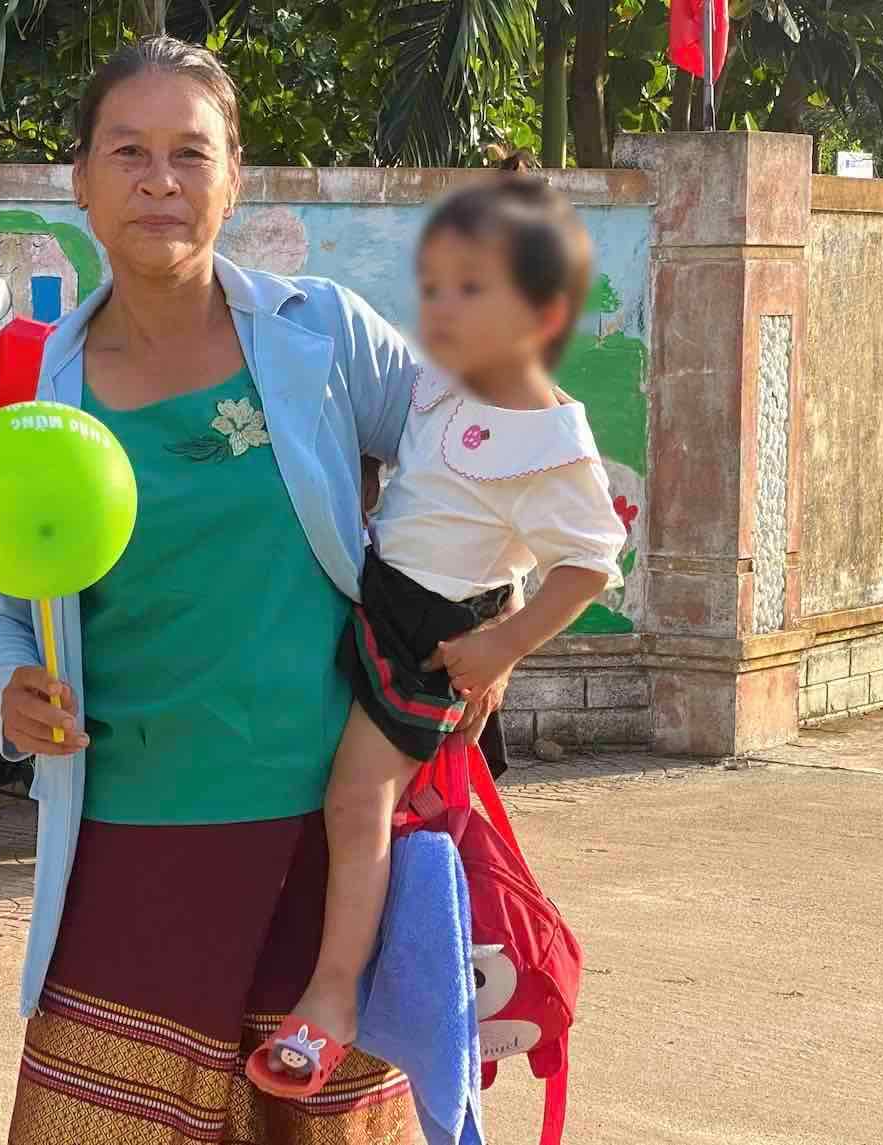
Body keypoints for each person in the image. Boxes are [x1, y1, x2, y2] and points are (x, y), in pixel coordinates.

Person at [0, 35, 510, 1145]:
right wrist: (10, 679)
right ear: (82, 181)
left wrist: (484, 628)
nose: (160, 180)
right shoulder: (31, 379)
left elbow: (478, 453)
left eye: (189, 153)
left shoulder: (319, 337)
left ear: (233, 175)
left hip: (323, 834)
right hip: (125, 837)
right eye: (129, 151)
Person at [245, 179, 627, 1097]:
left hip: (434, 639)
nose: (443, 308)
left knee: (356, 800)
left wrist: (504, 643)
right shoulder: (445, 377)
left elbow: (589, 561)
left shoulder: (551, 435)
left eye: (472, 289)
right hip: (378, 595)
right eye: (439, 287)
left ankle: (332, 999)